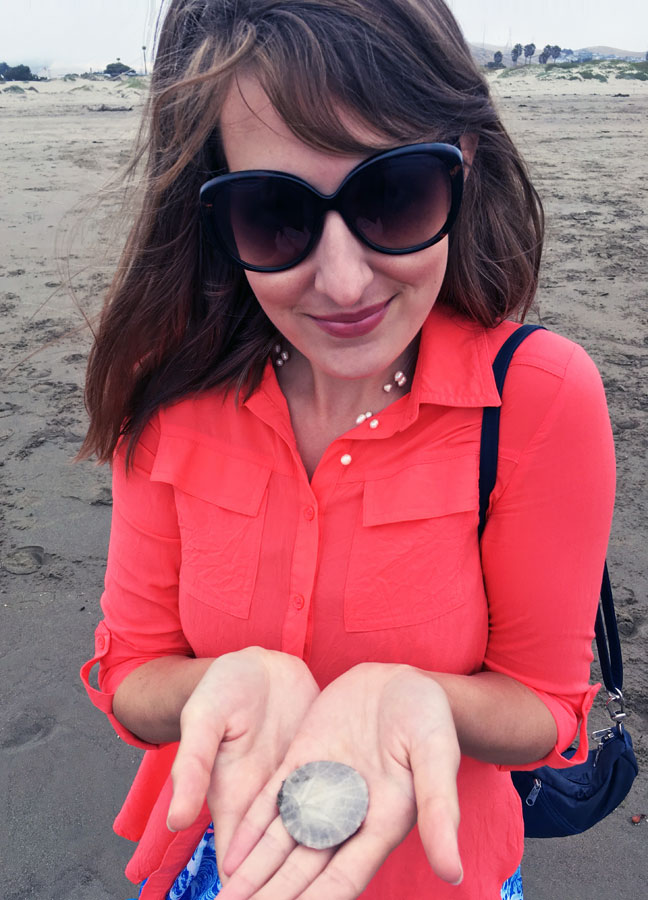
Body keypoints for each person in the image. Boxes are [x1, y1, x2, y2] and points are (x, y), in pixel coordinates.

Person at [79, 1, 615, 898]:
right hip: (220, 863)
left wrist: (418, 698)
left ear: (464, 162)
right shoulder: (164, 385)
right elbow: (132, 670)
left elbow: (547, 706)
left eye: (393, 193)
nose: (342, 280)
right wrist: (236, 681)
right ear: (213, 210)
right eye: (273, 214)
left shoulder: (539, 398)